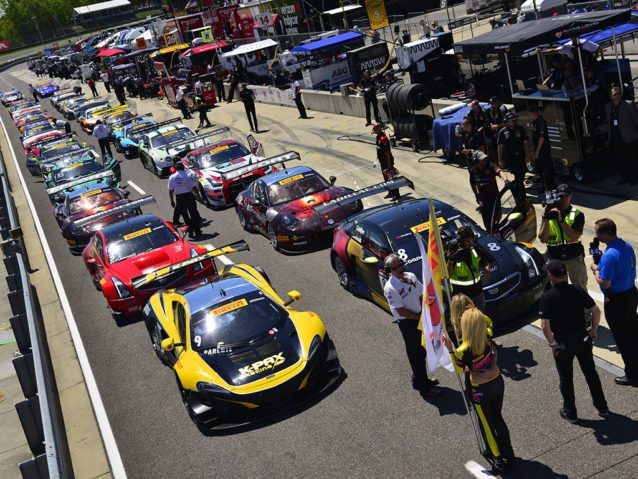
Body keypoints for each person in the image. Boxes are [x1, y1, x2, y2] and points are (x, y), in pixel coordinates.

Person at [443, 308, 514, 474]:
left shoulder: (463, 350)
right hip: (497, 382)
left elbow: (459, 369)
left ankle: (498, 459)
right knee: (499, 418)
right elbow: (489, 323)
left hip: (479, 390)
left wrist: (451, 350)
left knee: (487, 424)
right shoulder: (487, 335)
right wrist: (477, 312)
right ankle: (509, 455)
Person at [539, 260, 609, 422]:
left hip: (563, 343)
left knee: (566, 378)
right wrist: (593, 330)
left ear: (551, 276)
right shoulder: (577, 289)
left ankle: (570, 412)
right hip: (582, 338)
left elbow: (544, 325)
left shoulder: (547, 297)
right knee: (591, 373)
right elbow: (596, 311)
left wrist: (553, 344)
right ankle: (602, 407)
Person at [382, 254, 442, 398]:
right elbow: (400, 310)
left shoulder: (411, 276)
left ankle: (418, 379)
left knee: (423, 350)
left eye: (400, 265)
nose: (400, 269)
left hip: (420, 316)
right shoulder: (390, 287)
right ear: (389, 270)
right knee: (416, 354)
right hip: (408, 322)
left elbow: (422, 294)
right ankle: (424, 388)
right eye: (395, 268)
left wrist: (426, 312)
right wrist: (420, 318)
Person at [590, 218, 638, 386]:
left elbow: (604, 282)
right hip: (632, 293)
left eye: (597, 232)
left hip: (617, 300)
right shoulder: (626, 246)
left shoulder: (609, 255)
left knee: (623, 338)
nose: (596, 235)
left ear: (605, 234)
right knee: (633, 331)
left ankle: (633, 374)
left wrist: (596, 269)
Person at [538, 184, 587, 290]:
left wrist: (561, 220)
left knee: (580, 287)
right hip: (555, 258)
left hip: (574, 257)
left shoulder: (577, 214)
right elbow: (543, 239)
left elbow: (574, 237)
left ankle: (584, 307)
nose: (563, 199)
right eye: (560, 196)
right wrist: (546, 219)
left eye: (565, 196)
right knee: (558, 290)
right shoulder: (549, 213)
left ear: (570, 196)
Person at [446, 225, 492, 311]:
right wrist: (450, 259)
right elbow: (449, 274)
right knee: (468, 322)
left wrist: (487, 269)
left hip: (478, 293)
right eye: (467, 241)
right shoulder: (454, 253)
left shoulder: (474, 248)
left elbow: (485, 262)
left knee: (481, 318)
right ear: (461, 241)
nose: (471, 243)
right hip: (462, 297)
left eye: (471, 239)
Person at [605, 86, 638, 185]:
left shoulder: (628, 104)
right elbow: (608, 122)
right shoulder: (607, 106)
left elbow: (636, 120)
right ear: (610, 96)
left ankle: (634, 178)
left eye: (619, 93)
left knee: (632, 159)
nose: (618, 96)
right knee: (620, 159)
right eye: (615, 94)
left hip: (629, 137)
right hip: (615, 138)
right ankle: (625, 177)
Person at [469, 151, 509, 232]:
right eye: (482, 160)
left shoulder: (491, 166)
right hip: (483, 198)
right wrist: (476, 194)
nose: (484, 160)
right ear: (476, 161)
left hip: (494, 196)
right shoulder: (473, 171)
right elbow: (472, 183)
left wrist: (506, 181)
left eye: (484, 159)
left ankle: (496, 229)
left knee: (495, 217)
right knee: (486, 219)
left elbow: (500, 172)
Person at [497, 112, 531, 200]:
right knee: (518, 178)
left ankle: (520, 195)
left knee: (520, 177)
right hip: (511, 159)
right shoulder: (502, 132)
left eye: (514, 120)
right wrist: (500, 160)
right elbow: (500, 147)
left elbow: (526, 143)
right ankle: (521, 195)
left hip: (521, 157)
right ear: (507, 121)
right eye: (511, 121)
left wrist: (527, 156)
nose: (513, 122)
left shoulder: (521, 129)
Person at [168, 162, 202, 238]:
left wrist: (172, 201)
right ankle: (197, 231)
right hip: (189, 196)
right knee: (193, 214)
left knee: (185, 216)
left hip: (179, 198)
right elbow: (194, 187)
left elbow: (170, 191)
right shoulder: (188, 175)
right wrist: (199, 196)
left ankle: (190, 231)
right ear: (183, 168)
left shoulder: (172, 177)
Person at [528, 105, 555, 191]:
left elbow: (542, 138)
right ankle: (544, 186)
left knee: (546, 170)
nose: (530, 116)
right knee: (540, 170)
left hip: (543, 150)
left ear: (533, 113)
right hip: (539, 150)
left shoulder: (540, 122)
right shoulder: (535, 122)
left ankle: (549, 188)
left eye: (530, 114)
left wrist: (537, 152)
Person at [373, 123, 399, 200]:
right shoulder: (378, 137)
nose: (374, 131)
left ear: (379, 129)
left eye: (375, 130)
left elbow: (387, 152)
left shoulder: (383, 138)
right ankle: (390, 193)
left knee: (391, 179)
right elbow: (379, 150)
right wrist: (378, 158)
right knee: (386, 179)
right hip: (383, 162)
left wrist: (389, 164)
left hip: (387, 162)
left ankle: (396, 194)